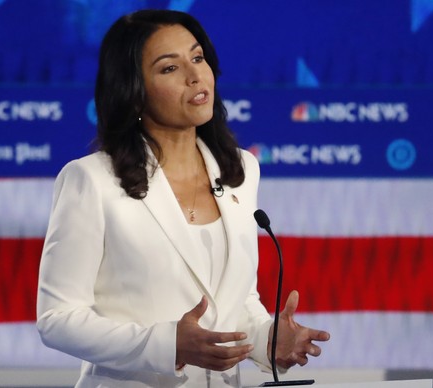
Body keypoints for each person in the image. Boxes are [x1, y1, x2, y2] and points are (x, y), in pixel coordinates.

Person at [36, 9, 330, 388]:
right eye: (169, 69)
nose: (195, 76)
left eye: (197, 57)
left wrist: (265, 339)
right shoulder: (91, 180)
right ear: (133, 91)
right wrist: (166, 345)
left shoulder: (241, 171)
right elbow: (57, 319)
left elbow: (236, 299)